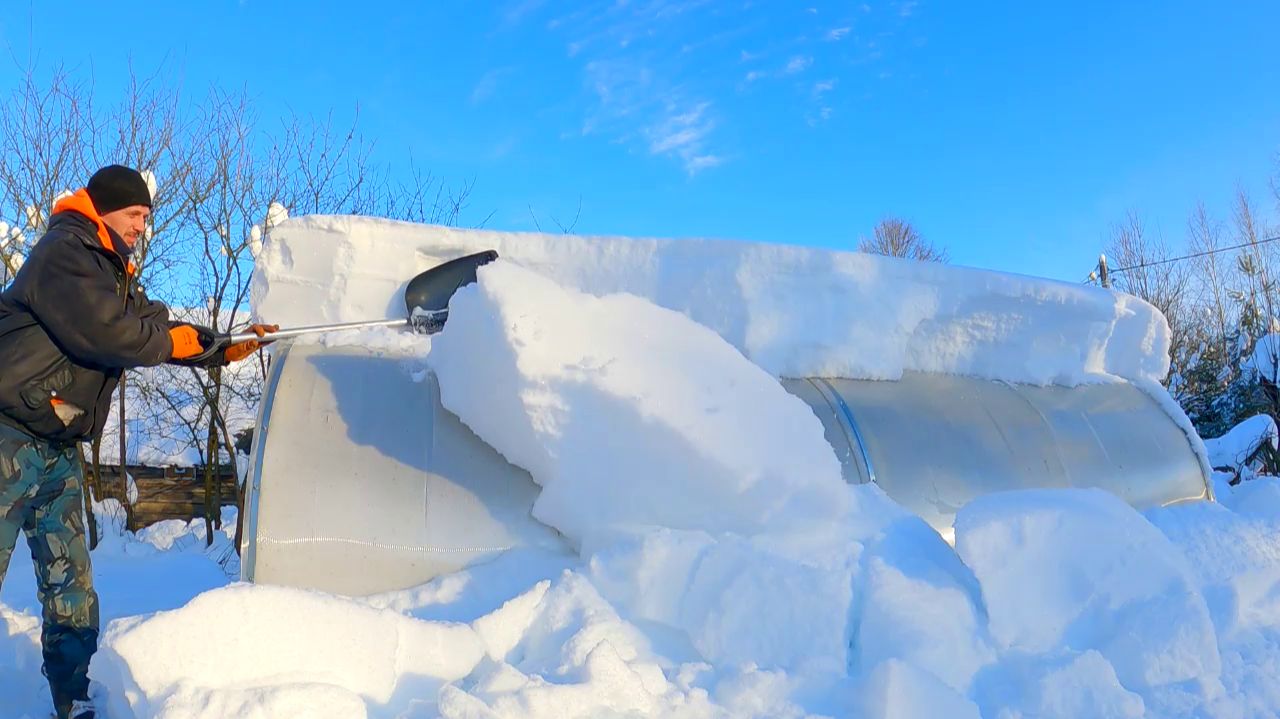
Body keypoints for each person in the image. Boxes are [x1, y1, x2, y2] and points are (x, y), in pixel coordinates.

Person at [0, 165, 276, 719]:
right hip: (7, 439)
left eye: (146, 219)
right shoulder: (65, 254)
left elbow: (159, 327)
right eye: (135, 216)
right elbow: (110, 332)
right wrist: (166, 339)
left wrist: (223, 347)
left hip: (57, 453)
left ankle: (72, 698)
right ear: (103, 209)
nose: (141, 229)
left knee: (72, 591)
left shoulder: (113, 273)